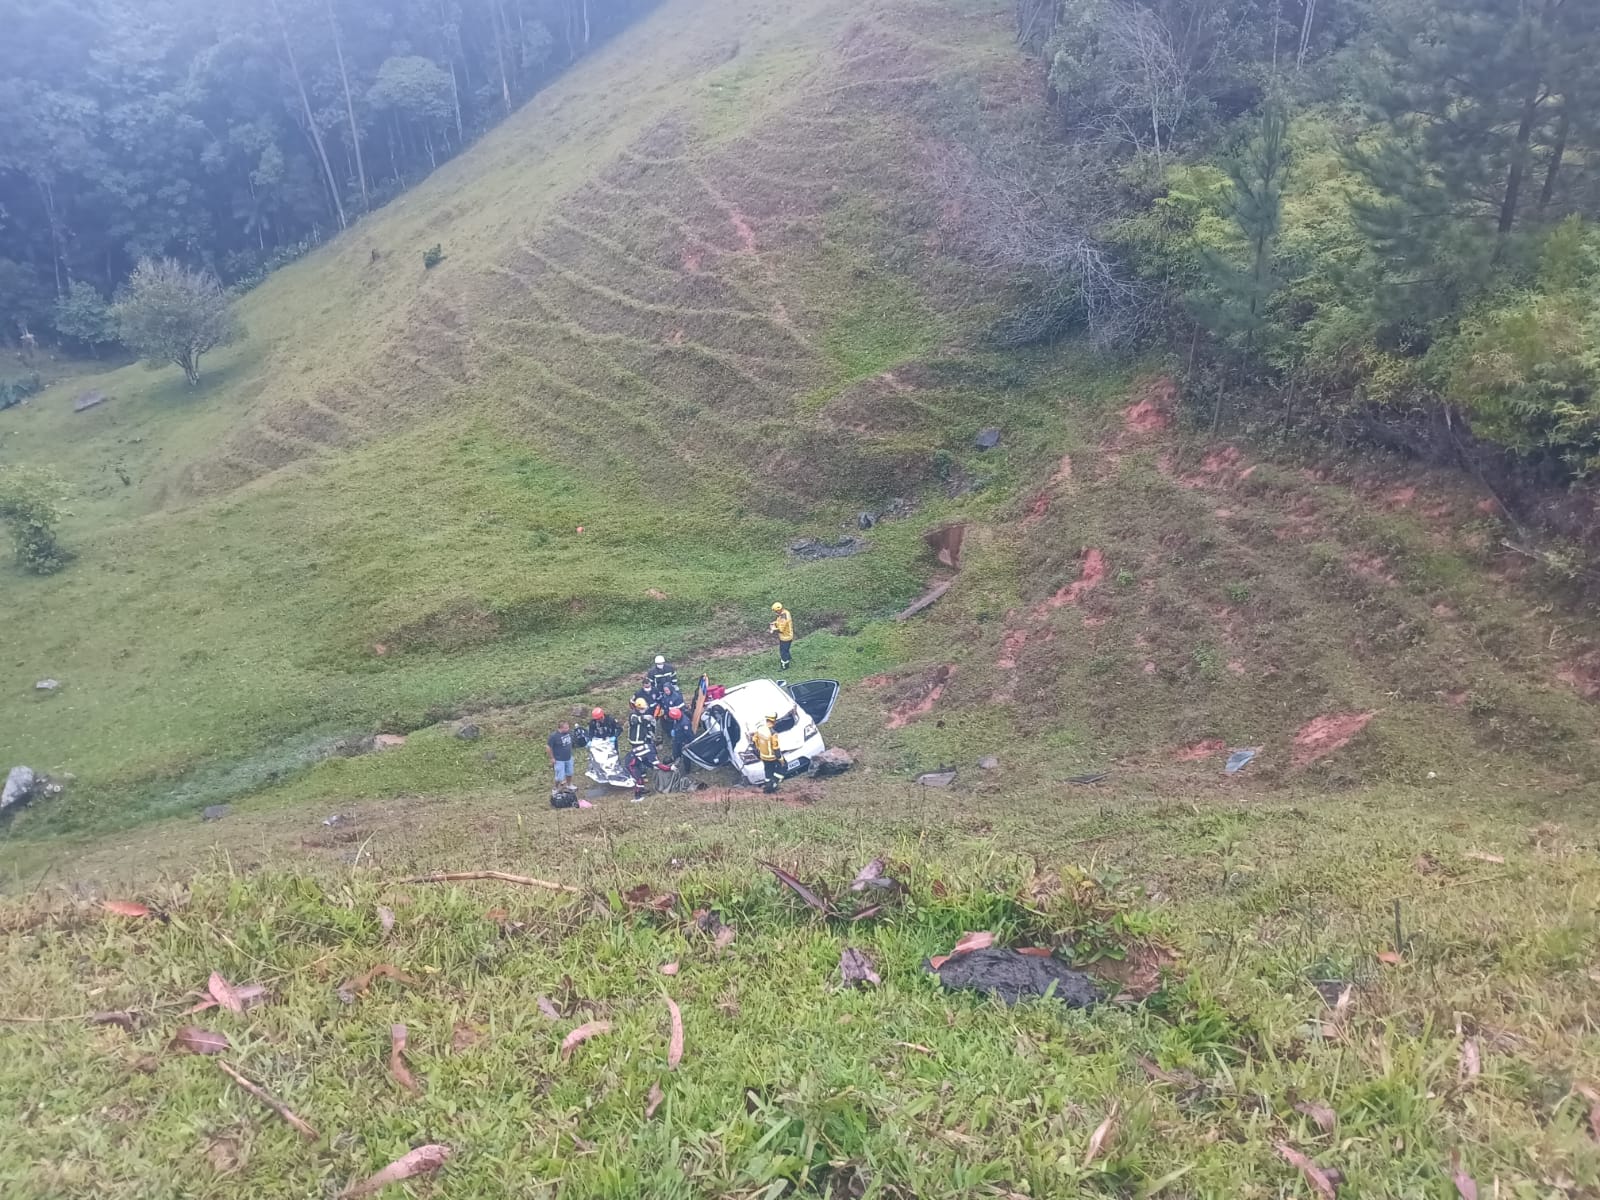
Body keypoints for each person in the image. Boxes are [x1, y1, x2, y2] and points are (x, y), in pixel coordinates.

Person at [626, 697, 656, 802]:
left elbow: (645, 726)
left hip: (643, 739)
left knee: (640, 760)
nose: (644, 710)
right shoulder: (633, 714)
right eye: (642, 708)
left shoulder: (642, 715)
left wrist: (650, 733)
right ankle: (640, 779)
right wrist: (644, 718)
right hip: (636, 741)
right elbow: (634, 721)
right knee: (638, 760)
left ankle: (642, 782)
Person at [751, 712, 786, 793]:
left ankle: (767, 786)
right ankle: (773, 784)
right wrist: (780, 759)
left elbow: (754, 741)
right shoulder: (773, 733)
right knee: (783, 767)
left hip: (763, 756)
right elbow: (776, 748)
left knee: (768, 771)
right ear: (774, 721)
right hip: (772, 757)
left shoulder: (759, 729)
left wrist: (758, 752)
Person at [547, 721, 577, 789]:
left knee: (570, 773)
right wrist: (552, 758)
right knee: (559, 777)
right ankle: (555, 788)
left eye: (568, 727)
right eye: (566, 728)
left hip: (569, 757)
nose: (568, 729)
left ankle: (569, 785)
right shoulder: (554, 736)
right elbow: (548, 747)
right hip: (559, 759)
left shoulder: (568, 733)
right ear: (560, 728)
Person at [769, 603, 794, 672]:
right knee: (786, 649)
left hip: (785, 637)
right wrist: (775, 623)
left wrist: (773, 629)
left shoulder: (783, 617)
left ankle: (785, 665)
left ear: (778, 610)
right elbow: (779, 621)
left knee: (783, 651)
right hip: (788, 635)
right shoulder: (785, 612)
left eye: (776, 611)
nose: (775, 612)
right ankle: (788, 658)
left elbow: (781, 629)